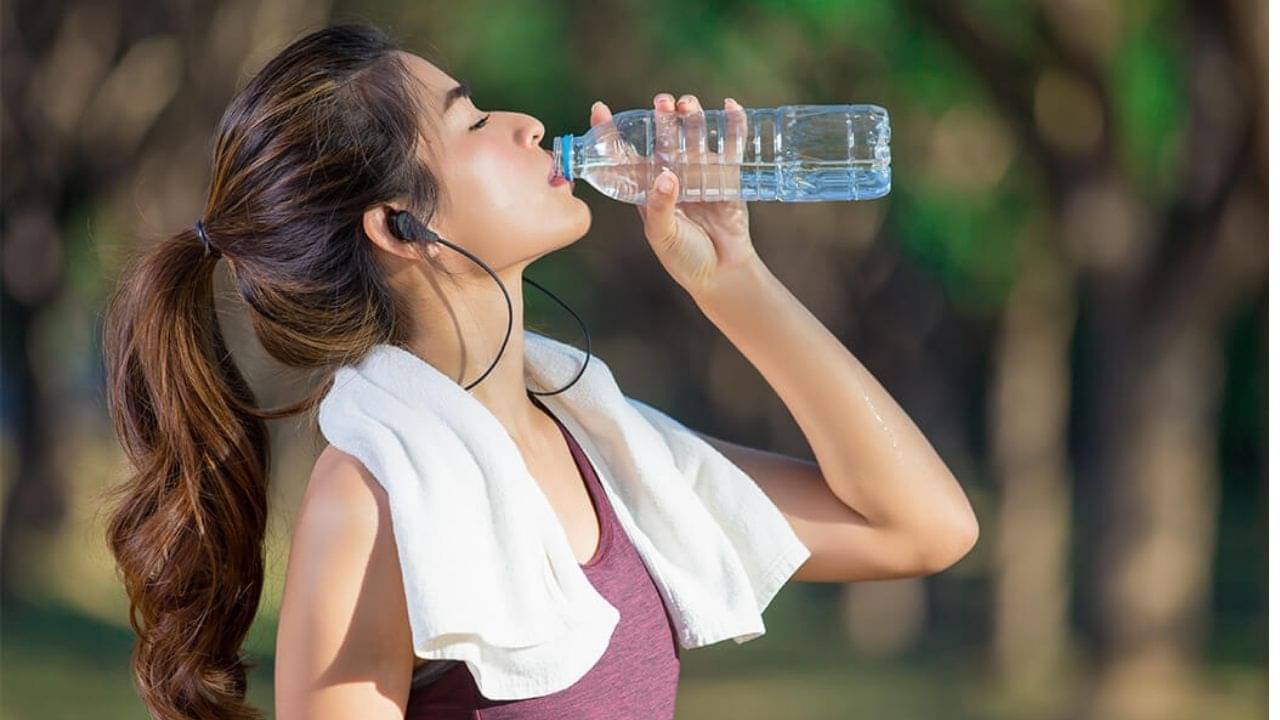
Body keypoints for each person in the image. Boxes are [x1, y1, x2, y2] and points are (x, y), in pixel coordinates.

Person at [99, 22, 979, 720]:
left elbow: (922, 528)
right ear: (399, 224)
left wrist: (734, 281)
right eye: (472, 121)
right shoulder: (372, 501)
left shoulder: (606, 451)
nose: (526, 124)